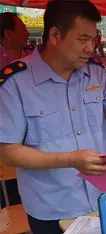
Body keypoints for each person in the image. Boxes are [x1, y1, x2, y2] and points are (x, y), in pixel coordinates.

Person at [0, 1, 106, 234]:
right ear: (55, 35)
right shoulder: (15, 82)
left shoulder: (96, 73)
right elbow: (9, 151)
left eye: (94, 39)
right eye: (83, 39)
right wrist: (70, 159)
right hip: (52, 206)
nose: (90, 47)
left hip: (100, 197)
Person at [0, 11, 34, 209]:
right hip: (6, 124)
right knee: (8, 182)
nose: (27, 31)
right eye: (22, 27)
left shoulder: (31, 54)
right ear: (9, 33)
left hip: (30, 123)